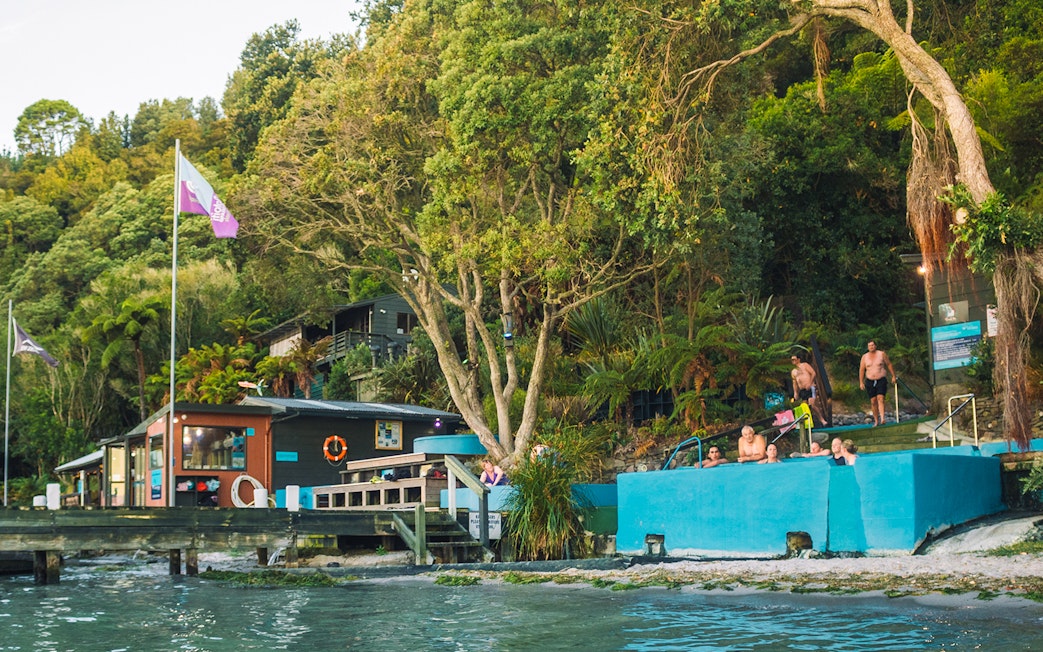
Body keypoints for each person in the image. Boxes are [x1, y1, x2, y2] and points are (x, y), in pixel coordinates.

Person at [859, 340, 897, 427]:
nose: (871, 347)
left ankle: (883, 418)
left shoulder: (881, 354)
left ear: (875, 346)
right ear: (868, 347)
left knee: (881, 398)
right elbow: (861, 369)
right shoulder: (865, 357)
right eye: (869, 346)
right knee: (873, 401)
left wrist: (893, 376)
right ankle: (876, 420)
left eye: (872, 345)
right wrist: (861, 382)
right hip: (870, 380)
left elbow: (889, 364)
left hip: (881, 379)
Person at [790, 353, 826, 427]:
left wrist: (810, 383)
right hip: (802, 390)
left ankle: (822, 420)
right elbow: (794, 383)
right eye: (792, 360)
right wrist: (795, 393)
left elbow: (813, 373)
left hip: (810, 387)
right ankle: (809, 422)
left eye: (794, 359)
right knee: (804, 406)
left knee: (812, 405)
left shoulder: (804, 365)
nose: (793, 361)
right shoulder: (793, 371)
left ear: (798, 359)